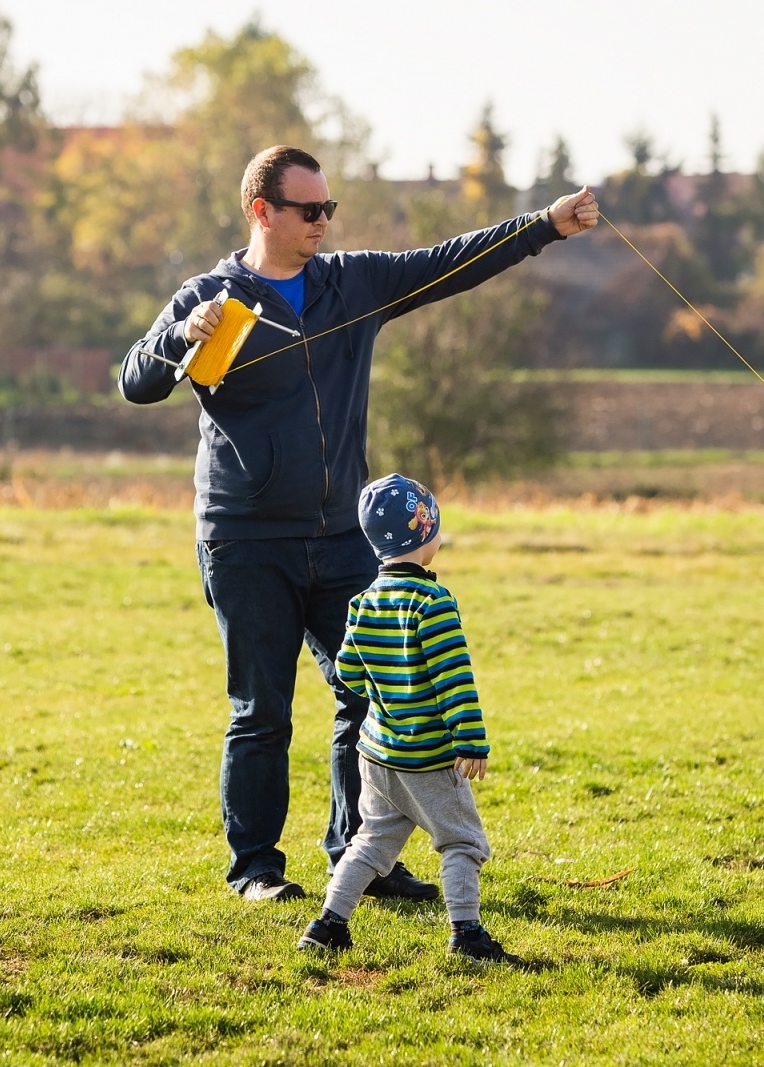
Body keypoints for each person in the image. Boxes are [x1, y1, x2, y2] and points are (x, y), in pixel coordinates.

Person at [118, 145, 598, 902]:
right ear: (262, 211)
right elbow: (135, 382)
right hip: (244, 537)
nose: (323, 223)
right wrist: (182, 336)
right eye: (310, 211)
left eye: (328, 210)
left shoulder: (351, 284)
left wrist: (544, 225)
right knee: (261, 709)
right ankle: (255, 870)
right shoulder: (210, 295)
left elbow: (449, 260)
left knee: (368, 691)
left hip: (343, 536)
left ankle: (358, 855)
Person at [296, 474, 515, 963]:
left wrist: (386, 677)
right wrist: (471, 742)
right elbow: (453, 678)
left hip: (377, 752)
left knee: (372, 841)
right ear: (425, 534)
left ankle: (328, 923)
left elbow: (348, 671)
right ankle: (467, 934)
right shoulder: (433, 603)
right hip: (427, 756)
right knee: (462, 842)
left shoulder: (363, 601)